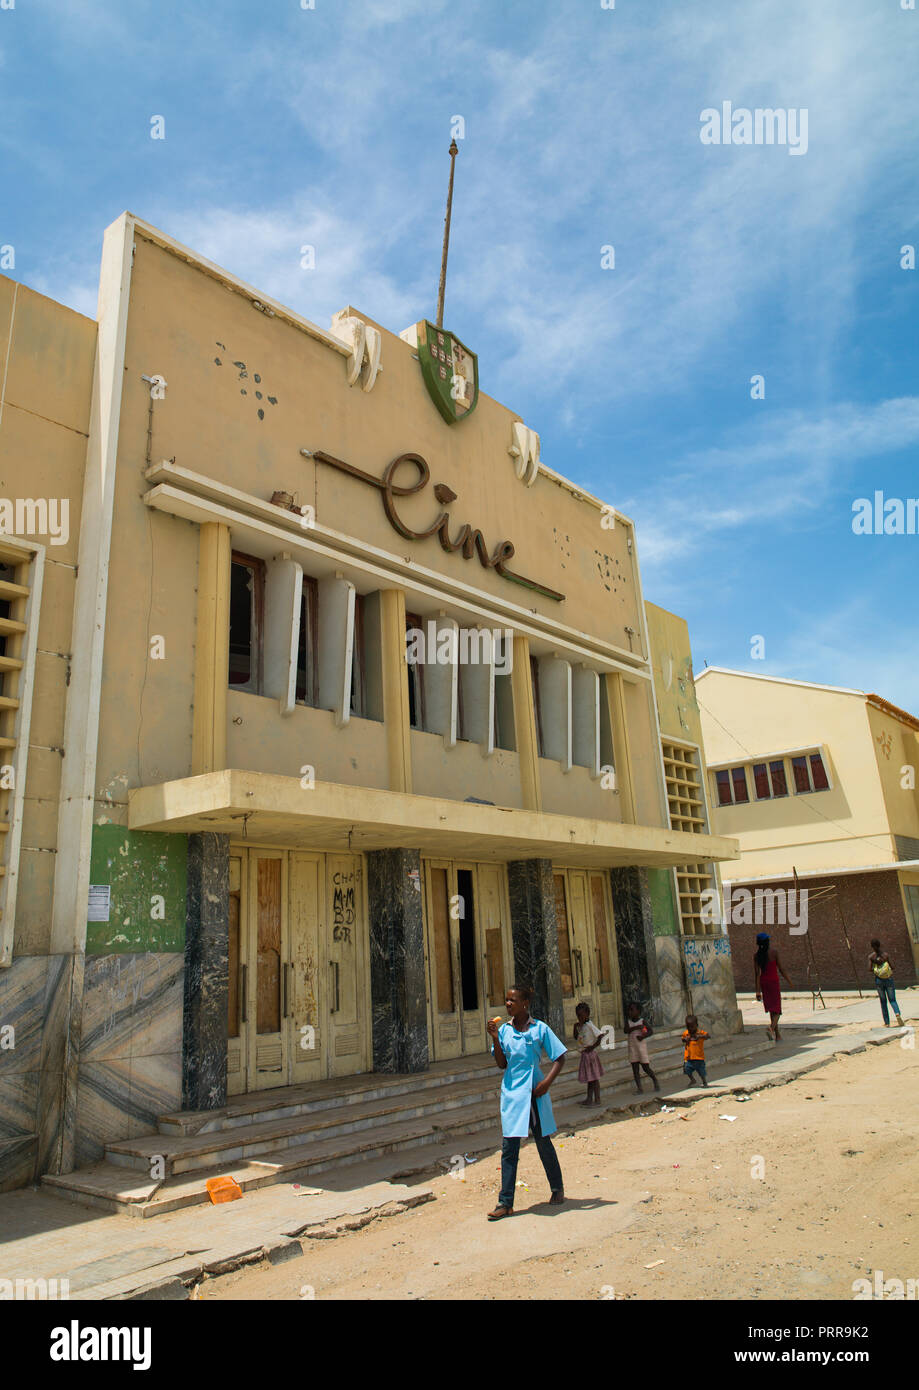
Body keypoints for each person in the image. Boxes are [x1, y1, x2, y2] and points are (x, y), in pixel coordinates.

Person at [485, 984, 566, 1220]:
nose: (508, 1004)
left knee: (543, 1142)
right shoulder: (504, 1031)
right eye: (506, 1000)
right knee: (509, 1148)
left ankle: (557, 1187)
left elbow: (560, 1057)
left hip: (534, 1094)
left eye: (512, 1000)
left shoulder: (539, 1029)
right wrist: (494, 1038)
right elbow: (501, 1064)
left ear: (525, 1004)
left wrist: (546, 1084)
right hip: (512, 1094)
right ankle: (505, 1202)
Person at [753, 931, 793, 1041]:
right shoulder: (774, 952)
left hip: (764, 983)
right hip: (773, 982)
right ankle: (771, 1028)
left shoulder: (756, 956)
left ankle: (777, 1035)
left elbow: (757, 974)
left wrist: (757, 991)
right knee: (778, 1010)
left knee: (772, 1009)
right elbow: (781, 969)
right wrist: (789, 981)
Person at [624, 1001, 660, 1093]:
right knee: (635, 1069)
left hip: (641, 1047)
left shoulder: (642, 1021)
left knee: (645, 1067)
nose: (630, 1012)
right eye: (629, 1010)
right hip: (632, 1048)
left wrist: (643, 1036)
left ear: (638, 1011)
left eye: (632, 1010)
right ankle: (639, 1088)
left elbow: (650, 1031)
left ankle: (655, 1080)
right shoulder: (628, 1022)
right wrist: (636, 1028)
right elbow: (626, 1030)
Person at [868, 938, 904, 1027]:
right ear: (880, 945)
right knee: (892, 1000)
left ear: (872, 947)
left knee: (883, 1001)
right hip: (888, 979)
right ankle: (897, 1013)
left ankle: (887, 1023)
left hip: (879, 981)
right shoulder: (886, 955)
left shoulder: (871, 957)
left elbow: (869, 969)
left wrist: (877, 969)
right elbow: (893, 966)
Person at [574, 1001, 604, 1106]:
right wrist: (575, 1027)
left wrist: (592, 1047)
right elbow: (576, 1037)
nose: (579, 1018)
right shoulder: (581, 1026)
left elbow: (600, 1036)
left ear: (587, 1014)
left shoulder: (590, 1025)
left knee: (594, 1078)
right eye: (578, 1016)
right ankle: (589, 1099)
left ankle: (597, 1099)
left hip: (590, 1055)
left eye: (581, 1016)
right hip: (584, 1055)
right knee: (590, 1079)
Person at [682, 1014, 710, 1086]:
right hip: (689, 1058)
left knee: (701, 1072)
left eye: (692, 1027)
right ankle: (692, 1079)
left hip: (699, 1058)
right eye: (688, 1027)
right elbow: (683, 1039)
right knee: (687, 1070)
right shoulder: (686, 1033)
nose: (690, 1029)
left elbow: (708, 1036)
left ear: (696, 1025)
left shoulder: (700, 1033)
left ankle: (704, 1082)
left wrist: (700, 1036)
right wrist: (686, 1039)